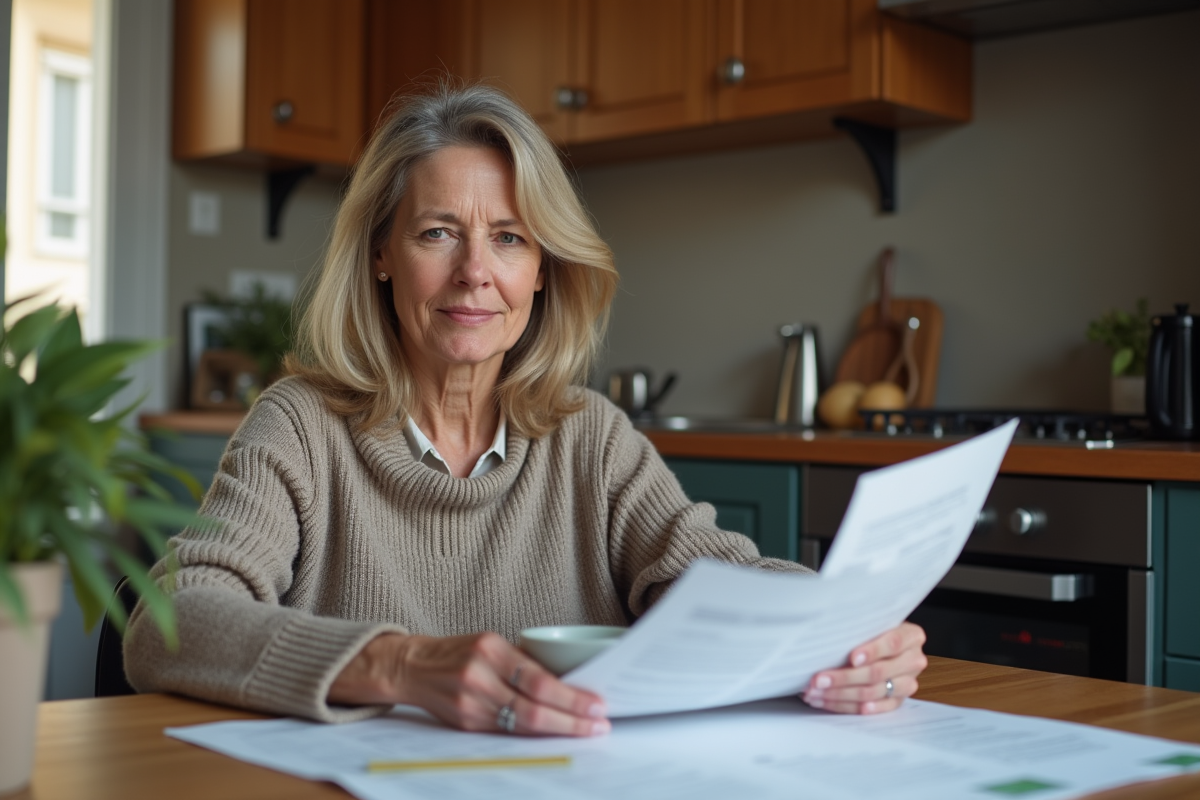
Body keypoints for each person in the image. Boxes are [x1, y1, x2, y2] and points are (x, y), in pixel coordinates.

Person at [125, 83, 927, 737]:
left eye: (509, 238)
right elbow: (172, 623)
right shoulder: (300, 425)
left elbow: (719, 576)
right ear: (380, 255)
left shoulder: (589, 434)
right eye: (438, 233)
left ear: (542, 269)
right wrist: (401, 664)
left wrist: (844, 630)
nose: (475, 272)